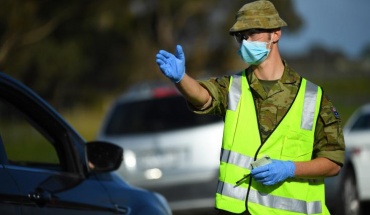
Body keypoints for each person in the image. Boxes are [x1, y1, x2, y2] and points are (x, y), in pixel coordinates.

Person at [155, 0, 345, 214]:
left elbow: (333, 162)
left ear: (276, 34)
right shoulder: (233, 87)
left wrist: (290, 169)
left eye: (253, 33)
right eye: (241, 36)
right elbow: (203, 97)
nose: (246, 41)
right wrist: (181, 79)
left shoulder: (314, 97)